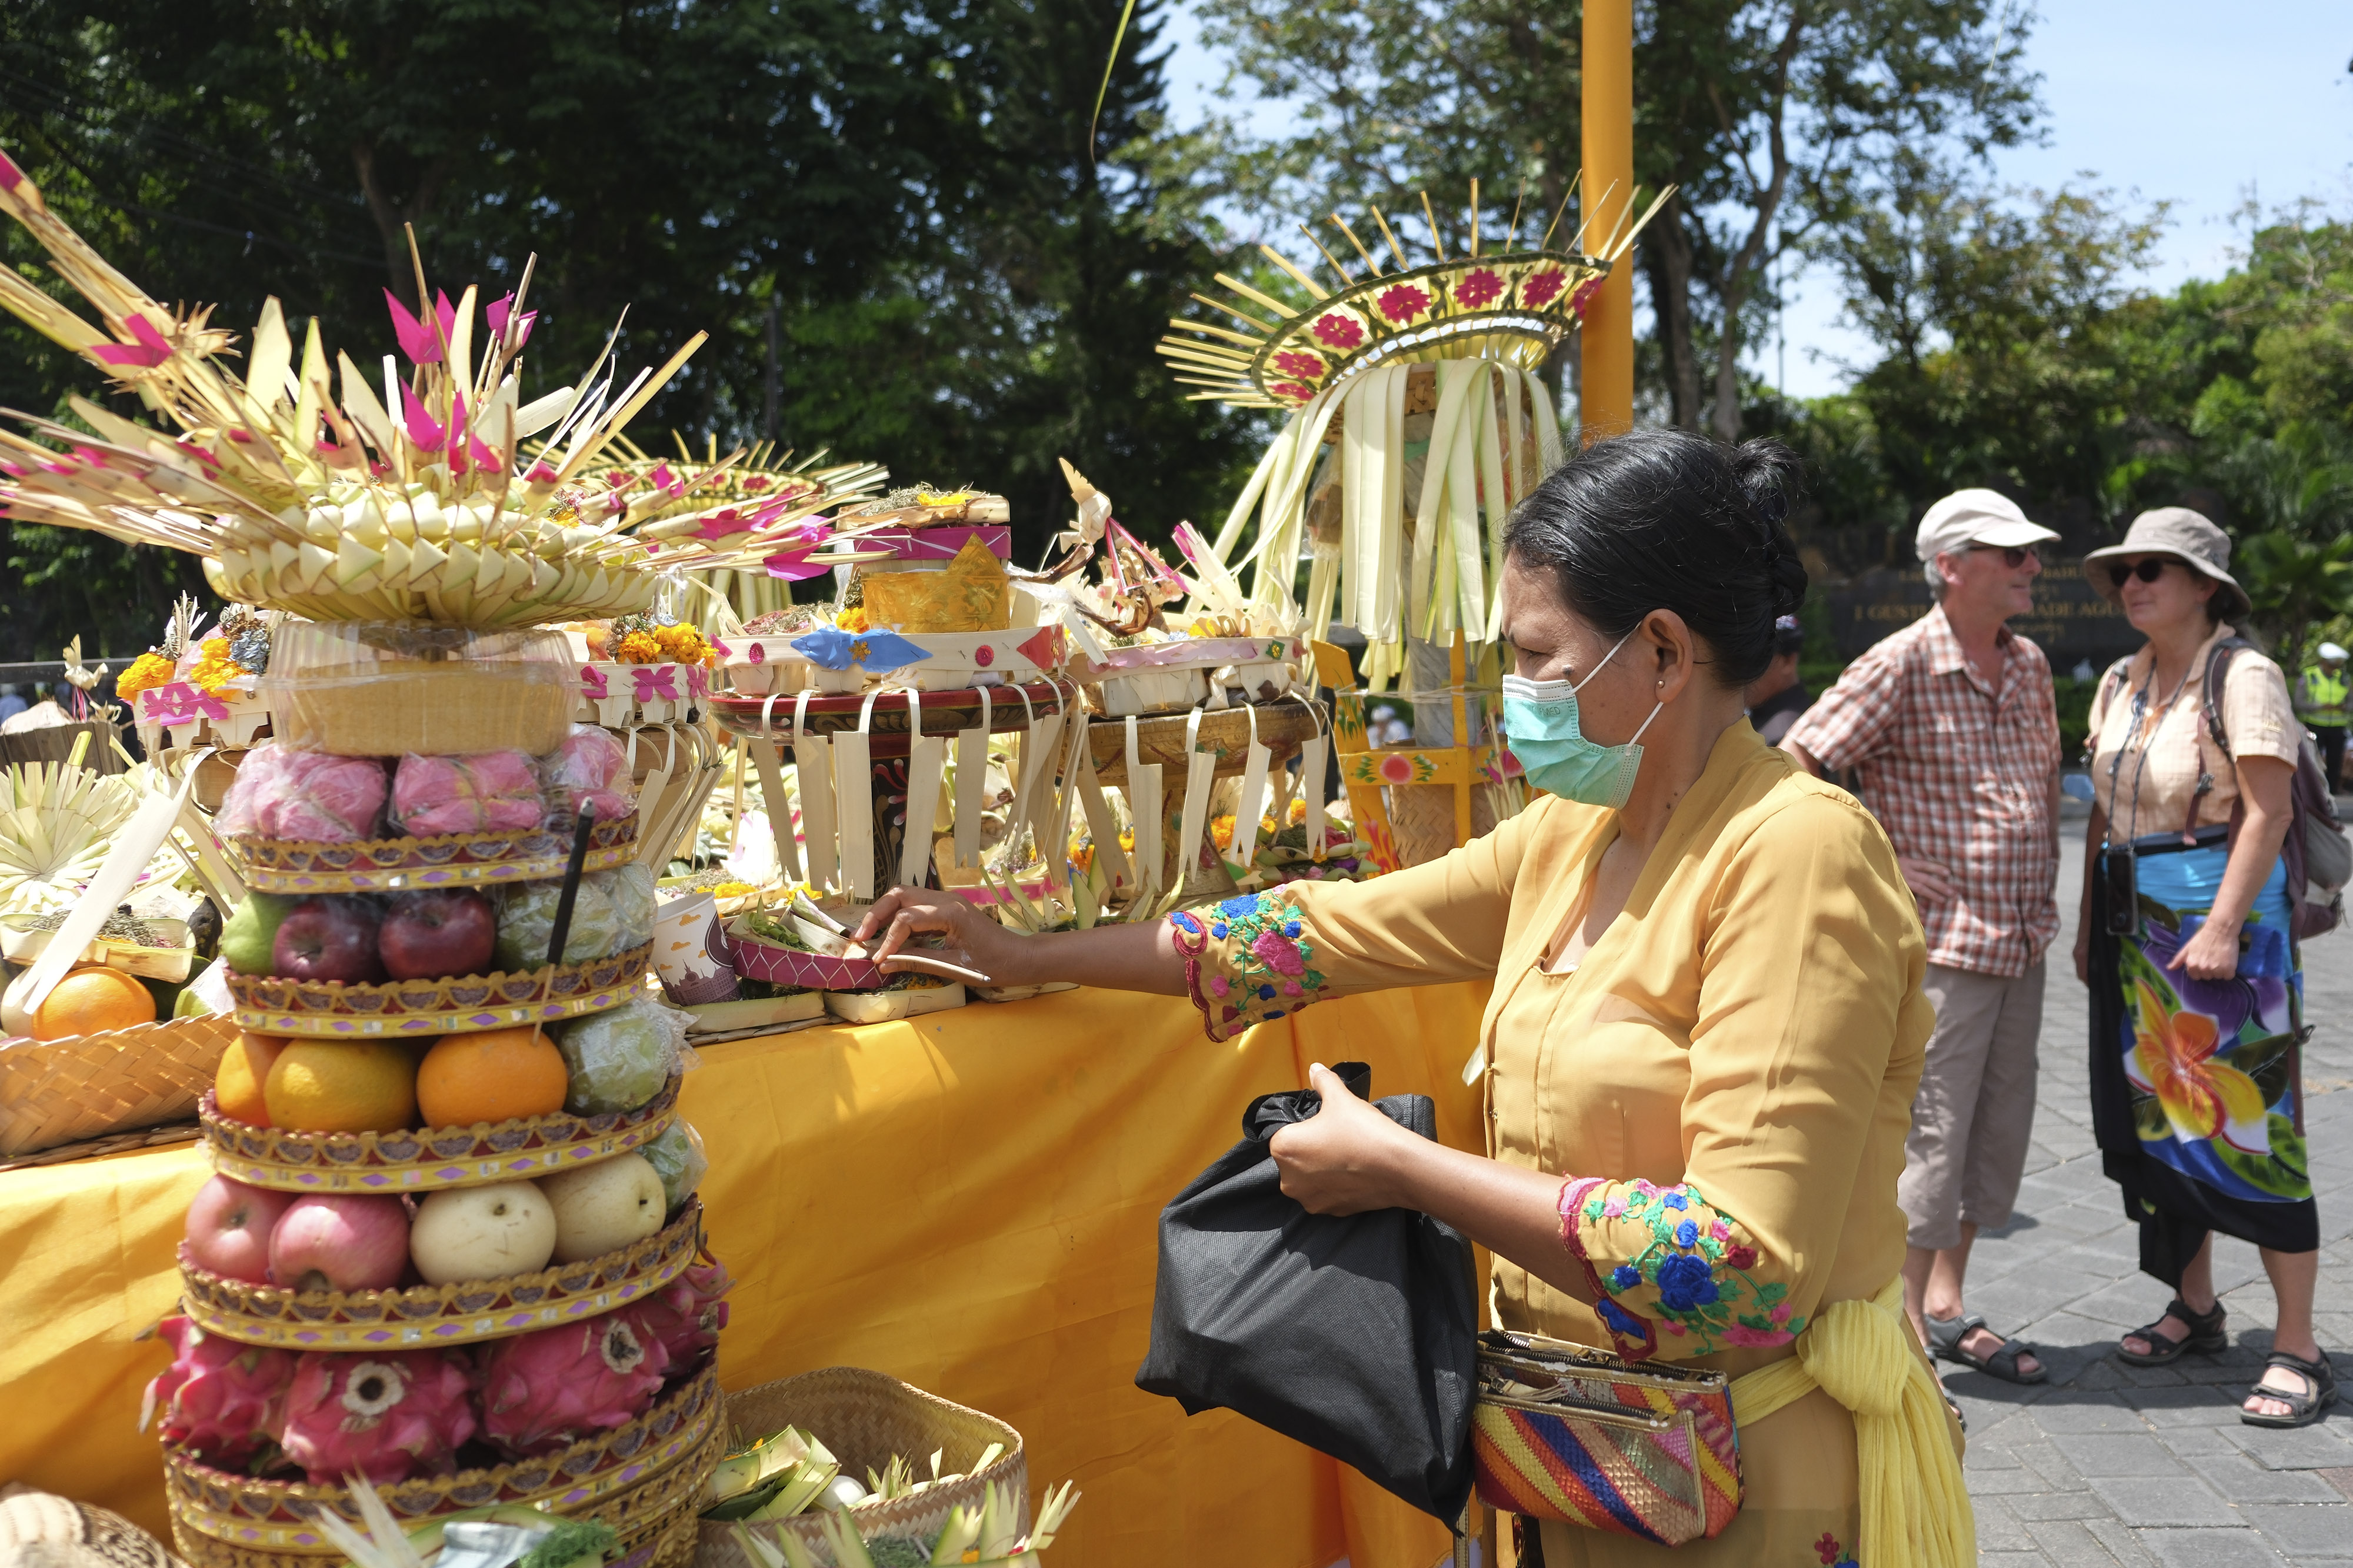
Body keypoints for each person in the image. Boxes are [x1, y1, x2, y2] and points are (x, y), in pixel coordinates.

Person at [855, 430, 1970, 1567]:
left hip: (1751, 1488)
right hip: (1584, 1468)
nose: (1518, 692)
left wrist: (1399, 1170)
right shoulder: (1577, 836)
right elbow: (1310, 935)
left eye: (1538, 656)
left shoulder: (1793, 855)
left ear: (1665, 652)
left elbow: (1741, 1273)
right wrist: (1029, 954)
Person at [1779, 488, 2064, 1387]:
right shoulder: (1899, 662)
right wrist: (1874, 870)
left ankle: (1945, 1302)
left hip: (2020, 939)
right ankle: (1902, 1335)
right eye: (2011, 554)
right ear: (1951, 565)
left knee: (1994, 1137)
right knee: (1930, 1142)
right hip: (1942, 946)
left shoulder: (2031, 666)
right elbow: (1797, 761)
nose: (2031, 567)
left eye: (2031, 554)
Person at [2075, 507, 2334, 1427]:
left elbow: (2264, 812)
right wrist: (2086, 925)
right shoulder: (2119, 678)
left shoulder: (2244, 673)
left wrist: (2223, 924)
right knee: (2161, 1121)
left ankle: (2298, 1342)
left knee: (2251, 1122)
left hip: (2219, 915)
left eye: (2153, 568)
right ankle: (2196, 1305)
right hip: (2132, 920)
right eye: (2125, 570)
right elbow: (2104, 810)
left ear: (2205, 586)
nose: (2132, 583)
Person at [1742, 615, 1812, 744]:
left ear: (1787, 662)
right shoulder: (1753, 715)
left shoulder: (1784, 736)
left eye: (1754, 659)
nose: (1741, 669)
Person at [2294, 640, 2348, 793]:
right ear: (2323, 661)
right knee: (2312, 759)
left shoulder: (2343, 678)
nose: (2334, 668)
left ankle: (2332, 791)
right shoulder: (2309, 675)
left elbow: (2351, 702)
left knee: (2335, 761)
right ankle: (2312, 791)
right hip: (2314, 725)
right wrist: (2320, 707)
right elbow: (2299, 702)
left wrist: (2345, 707)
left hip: (2337, 727)